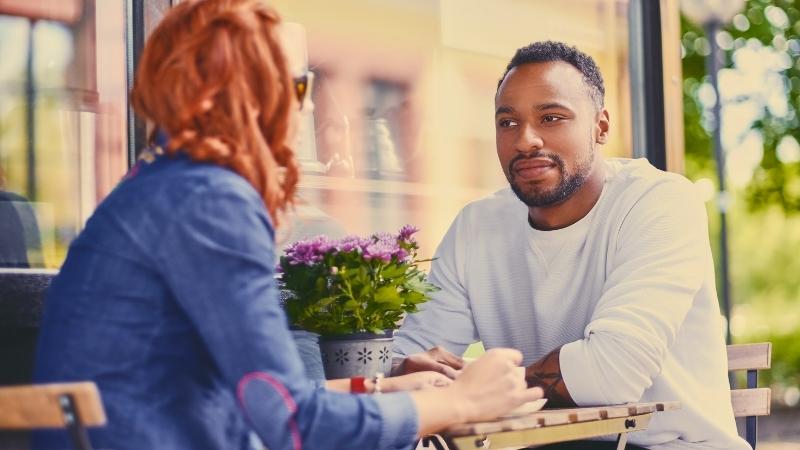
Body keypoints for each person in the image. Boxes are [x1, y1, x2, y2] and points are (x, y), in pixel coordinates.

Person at [32, 1, 543, 449]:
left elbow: (251, 396)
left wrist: (383, 388)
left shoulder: (161, 187)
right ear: (252, 97)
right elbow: (294, 424)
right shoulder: (208, 201)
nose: (310, 104)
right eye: (300, 84)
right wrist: (461, 401)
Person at [393, 41, 750, 450]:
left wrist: (479, 388)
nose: (526, 140)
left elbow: (613, 373)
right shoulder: (476, 225)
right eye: (507, 122)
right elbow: (410, 358)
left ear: (600, 127)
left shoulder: (661, 202)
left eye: (551, 117)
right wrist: (412, 369)